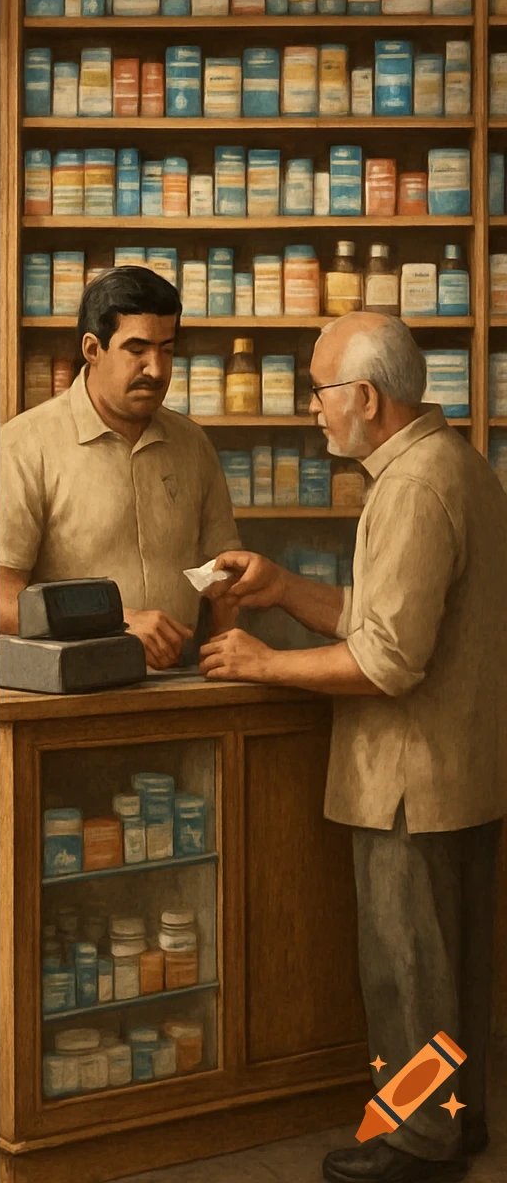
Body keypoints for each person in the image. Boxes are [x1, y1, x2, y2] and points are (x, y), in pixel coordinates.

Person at [199, 312, 507, 1183]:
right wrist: (287, 589)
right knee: (454, 975)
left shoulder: (410, 489)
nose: (314, 411)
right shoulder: (456, 467)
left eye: (321, 392)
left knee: (409, 974)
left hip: (408, 780)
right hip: (460, 775)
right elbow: (391, 623)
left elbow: (387, 662)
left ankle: (418, 1142)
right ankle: (458, 1121)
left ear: (366, 398)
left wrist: (264, 663)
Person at [0, 266, 241, 666]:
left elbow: (223, 572)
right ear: (93, 349)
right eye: (137, 350)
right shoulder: (25, 446)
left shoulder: (192, 443)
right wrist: (114, 623)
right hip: (71, 695)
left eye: (166, 349)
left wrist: (222, 660)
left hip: (182, 687)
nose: (157, 370)